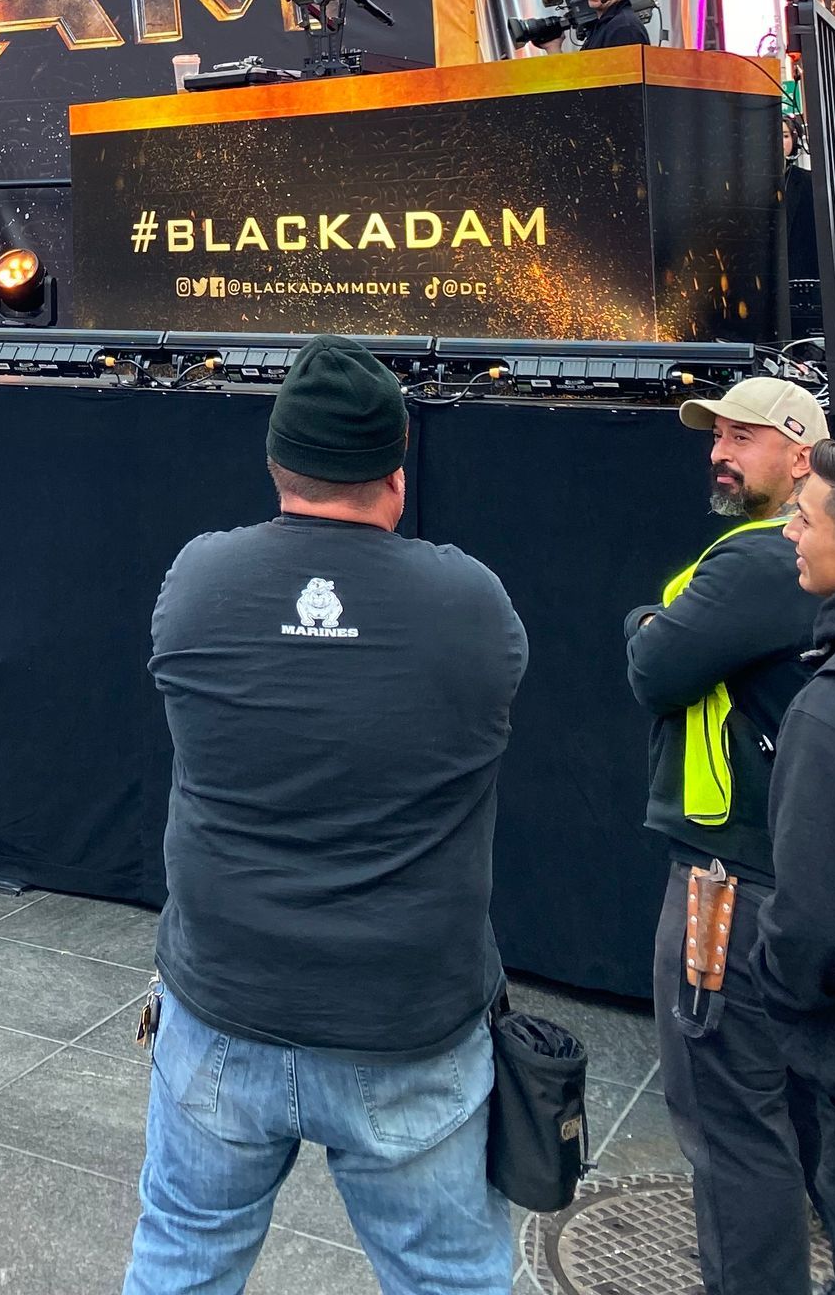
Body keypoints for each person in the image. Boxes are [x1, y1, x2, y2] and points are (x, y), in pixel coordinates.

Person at [125, 335, 526, 1295]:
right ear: (396, 474)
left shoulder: (199, 581)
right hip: (405, 1026)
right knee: (450, 1280)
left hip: (223, 1011)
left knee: (180, 1262)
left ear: (278, 463)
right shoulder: (469, 604)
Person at [625, 374, 828, 1295]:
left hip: (729, 884)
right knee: (801, 1116)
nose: (719, 452)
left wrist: (646, 622)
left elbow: (654, 665)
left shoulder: (755, 563)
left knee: (729, 1122)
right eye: (715, 436)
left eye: (741, 437)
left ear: (800, 453)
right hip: (792, 875)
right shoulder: (795, 562)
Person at [754, 432, 835, 1268]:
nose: (791, 531)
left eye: (807, 518)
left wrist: (780, 995)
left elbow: (808, 926)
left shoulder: (824, 716)